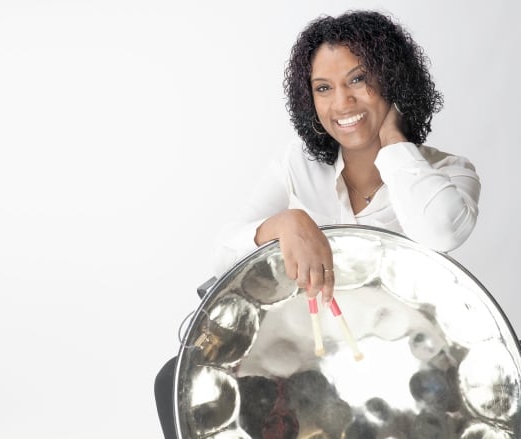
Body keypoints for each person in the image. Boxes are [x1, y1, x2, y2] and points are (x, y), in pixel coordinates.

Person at [154, 10, 481, 439]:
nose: (341, 103)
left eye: (358, 80)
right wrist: (284, 223)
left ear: (393, 82)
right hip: (310, 362)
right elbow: (223, 254)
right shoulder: (299, 164)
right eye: (323, 88)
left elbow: (441, 231)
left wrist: (395, 141)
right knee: (174, 380)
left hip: (396, 372)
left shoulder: (449, 173)